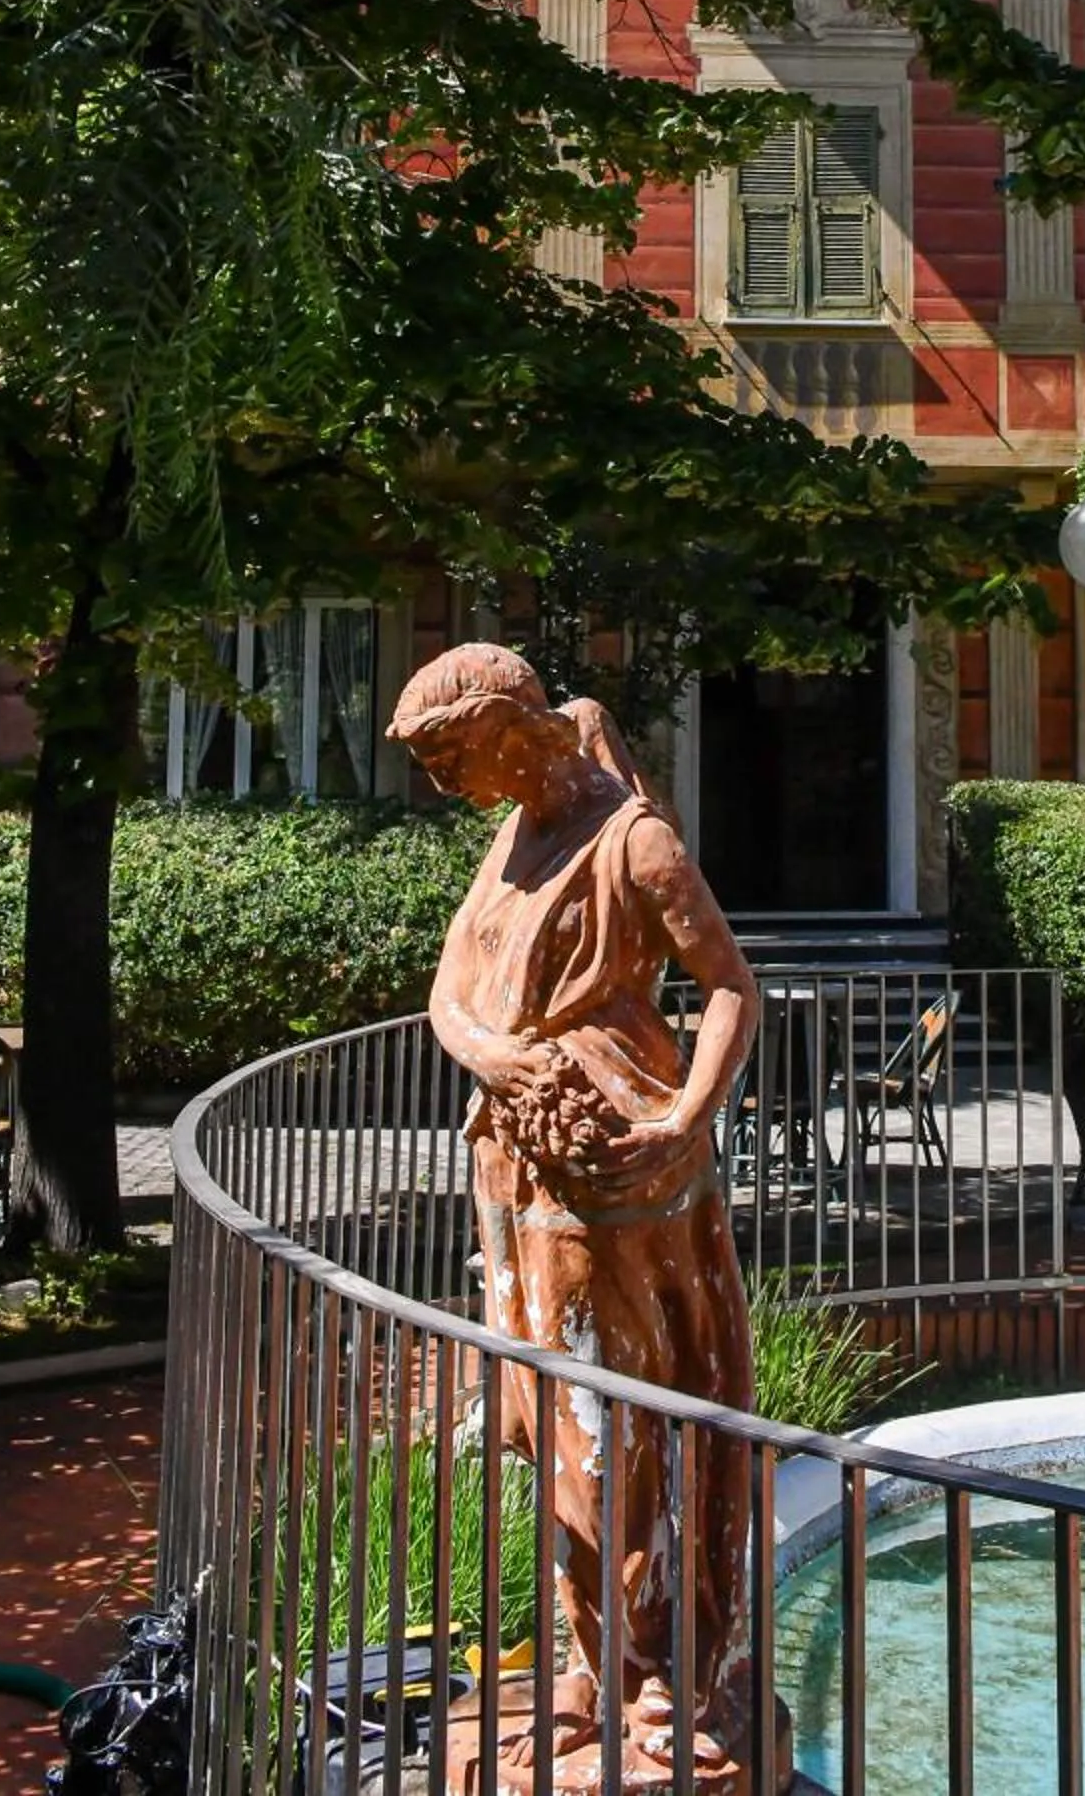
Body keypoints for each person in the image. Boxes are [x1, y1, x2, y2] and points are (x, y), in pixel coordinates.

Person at [390, 642, 759, 1776]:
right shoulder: (512, 836)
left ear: (509, 727)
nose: (446, 783)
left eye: (453, 755)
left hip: (622, 1171)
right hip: (519, 1163)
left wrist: (682, 1121)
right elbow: (450, 991)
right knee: (555, 1425)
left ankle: (666, 1674)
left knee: (629, 1426)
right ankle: (595, 1658)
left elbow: (730, 989)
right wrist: (500, 1060)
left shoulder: (630, 840)